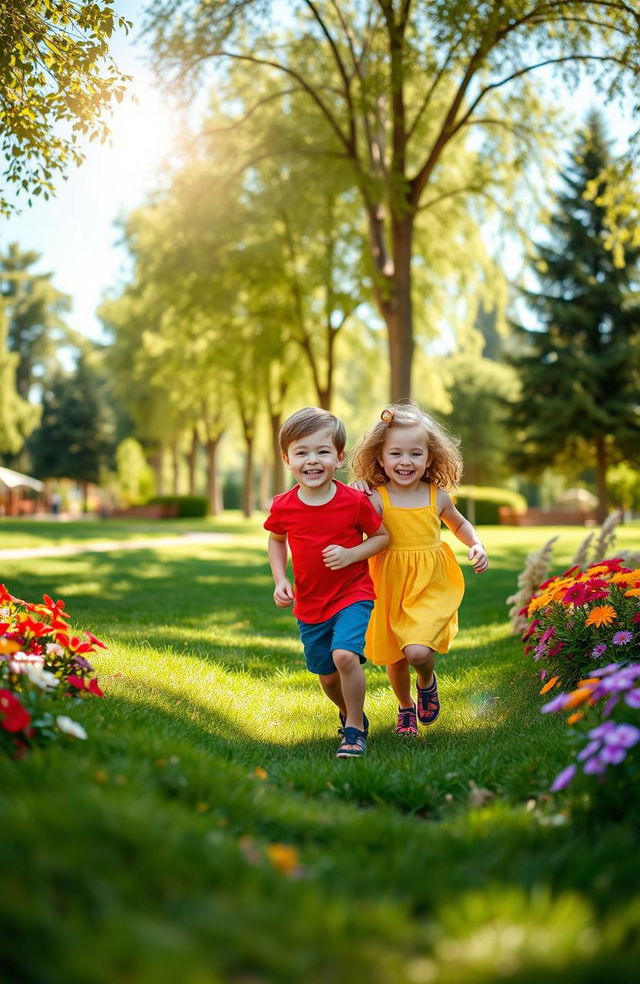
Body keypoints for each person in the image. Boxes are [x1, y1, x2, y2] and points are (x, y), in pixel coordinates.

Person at [350, 403, 488, 736]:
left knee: (417, 651)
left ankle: (426, 680)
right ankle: (405, 706)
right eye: (395, 454)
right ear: (380, 459)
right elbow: (348, 522)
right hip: (386, 580)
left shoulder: (436, 496)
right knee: (395, 656)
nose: (405, 461)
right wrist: (354, 490)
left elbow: (459, 524)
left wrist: (476, 544)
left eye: (415, 454)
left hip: (428, 581)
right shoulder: (377, 498)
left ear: (430, 458)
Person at [264, 407, 389, 758]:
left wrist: (352, 555)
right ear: (287, 459)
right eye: (302, 452)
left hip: (353, 593)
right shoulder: (284, 506)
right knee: (328, 675)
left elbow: (381, 537)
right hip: (310, 603)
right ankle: (351, 712)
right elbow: (276, 540)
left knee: (345, 657)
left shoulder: (353, 501)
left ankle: (353, 730)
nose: (312, 460)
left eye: (322, 451)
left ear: (339, 456)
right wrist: (279, 579)